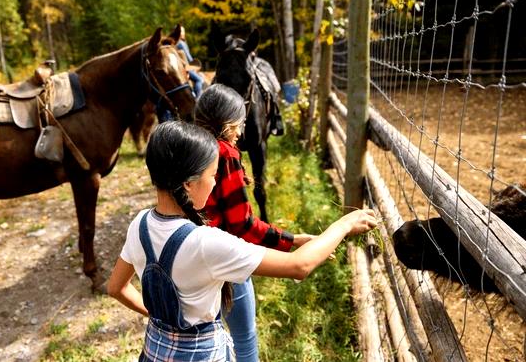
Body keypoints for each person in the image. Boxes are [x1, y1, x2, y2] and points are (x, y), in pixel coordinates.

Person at [108, 120, 377, 361]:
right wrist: (344, 224)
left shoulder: (140, 224)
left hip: (154, 351)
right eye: (213, 175)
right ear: (188, 183)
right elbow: (300, 265)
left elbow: (116, 288)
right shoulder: (205, 242)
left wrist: (163, 319)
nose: (215, 184)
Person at [193, 84, 313, 361]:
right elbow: (241, 224)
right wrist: (291, 240)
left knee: (210, 333)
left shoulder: (189, 145)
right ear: (226, 124)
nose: (241, 132)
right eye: (239, 124)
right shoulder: (224, 154)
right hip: (224, 260)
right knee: (244, 338)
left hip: (190, 257)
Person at [176, 25, 204, 99]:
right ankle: (197, 99)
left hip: (182, 66)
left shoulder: (177, 43)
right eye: (181, 31)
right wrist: (195, 65)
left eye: (183, 31)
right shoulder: (181, 43)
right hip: (186, 67)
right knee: (199, 79)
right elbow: (188, 57)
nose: (183, 33)